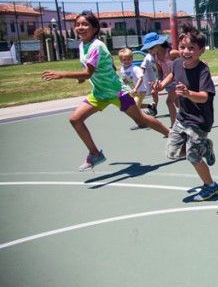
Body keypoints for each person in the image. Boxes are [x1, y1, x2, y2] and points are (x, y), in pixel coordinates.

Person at [42, 10, 170, 171]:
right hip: (100, 93)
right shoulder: (83, 45)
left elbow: (88, 71)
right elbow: (88, 69)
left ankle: (173, 135)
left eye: (85, 24)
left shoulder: (97, 46)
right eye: (78, 24)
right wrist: (82, 78)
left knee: (142, 120)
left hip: (117, 92)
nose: (80, 27)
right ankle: (95, 154)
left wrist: (63, 74)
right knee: (75, 119)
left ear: (95, 28)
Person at [155, 25, 218, 202]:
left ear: (200, 50)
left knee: (192, 156)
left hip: (199, 121)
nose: (186, 51)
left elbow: (205, 97)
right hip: (183, 117)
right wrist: (161, 85)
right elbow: (172, 75)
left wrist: (188, 93)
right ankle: (205, 148)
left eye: (191, 48)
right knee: (172, 153)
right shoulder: (176, 63)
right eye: (183, 47)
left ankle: (211, 187)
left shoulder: (203, 71)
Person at [141, 32, 180, 126]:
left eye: (151, 48)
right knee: (178, 103)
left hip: (178, 80)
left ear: (158, 44)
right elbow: (160, 70)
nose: (149, 51)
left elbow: (187, 57)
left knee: (169, 101)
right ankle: (193, 117)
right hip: (168, 82)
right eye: (147, 49)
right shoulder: (155, 57)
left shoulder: (171, 52)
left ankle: (173, 126)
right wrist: (159, 81)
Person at [118, 48, 152, 129]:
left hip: (139, 91)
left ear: (132, 58)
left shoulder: (135, 68)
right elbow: (123, 79)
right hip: (130, 91)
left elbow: (140, 78)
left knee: (136, 107)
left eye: (129, 59)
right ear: (121, 60)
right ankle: (150, 106)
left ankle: (144, 122)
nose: (127, 61)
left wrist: (136, 88)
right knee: (132, 107)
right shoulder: (122, 68)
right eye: (124, 59)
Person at [139, 49, 159, 116]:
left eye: (152, 48)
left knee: (154, 93)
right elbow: (142, 67)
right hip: (147, 81)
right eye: (149, 49)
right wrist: (141, 77)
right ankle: (149, 106)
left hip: (156, 80)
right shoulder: (147, 58)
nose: (150, 50)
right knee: (138, 100)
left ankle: (154, 107)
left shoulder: (158, 56)